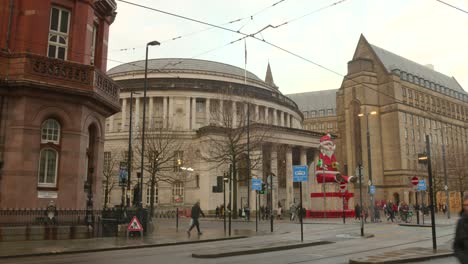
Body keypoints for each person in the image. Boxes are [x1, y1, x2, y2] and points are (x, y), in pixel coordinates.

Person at [453, 194, 468, 263]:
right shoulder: (461, 222)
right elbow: (456, 246)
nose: (466, 208)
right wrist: (464, 259)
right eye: (465, 205)